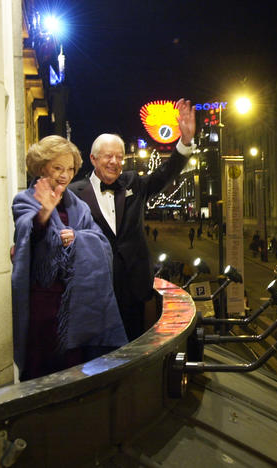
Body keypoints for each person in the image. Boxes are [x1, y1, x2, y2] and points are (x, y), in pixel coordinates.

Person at [69, 98, 195, 341]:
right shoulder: (74, 193)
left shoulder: (133, 183)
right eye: (108, 157)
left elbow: (164, 174)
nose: (115, 162)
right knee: (98, 355)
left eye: (119, 157)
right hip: (95, 290)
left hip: (134, 289)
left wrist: (185, 142)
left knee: (135, 348)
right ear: (93, 159)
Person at [11, 135, 127, 381]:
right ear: (42, 167)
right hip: (43, 306)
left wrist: (77, 238)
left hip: (78, 305)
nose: (65, 175)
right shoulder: (25, 199)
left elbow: (101, 243)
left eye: (70, 169)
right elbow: (27, 234)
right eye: (57, 168)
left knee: (74, 371)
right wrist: (44, 212)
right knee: (41, 371)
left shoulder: (79, 207)